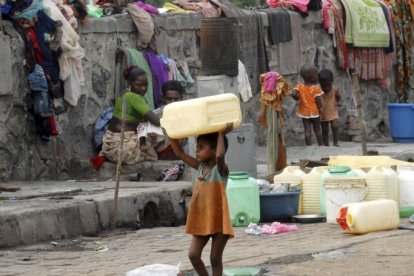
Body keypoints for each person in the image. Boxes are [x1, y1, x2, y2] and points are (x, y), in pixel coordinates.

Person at [169, 123, 234, 276]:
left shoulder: (221, 170)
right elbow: (180, 154)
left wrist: (220, 133)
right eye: (197, 146)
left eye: (201, 146)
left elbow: (219, 156)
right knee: (193, 255)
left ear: (213, 150)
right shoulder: (200, 167)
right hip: (201, 219)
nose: (197, 149)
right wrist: (171, 137)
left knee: (215, 258)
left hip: (219, 220)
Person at [100, 66, 160, 164]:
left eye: (146, 85)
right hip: (122, 148)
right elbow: (157, 122)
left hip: (109, 147)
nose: (143, 88)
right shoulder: (133, 97)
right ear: (129, 83)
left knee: (147, 125)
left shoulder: (125, 95)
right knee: (159, 139)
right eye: (139, 85)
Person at [138, 80, 185, 160]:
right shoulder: (154, 116)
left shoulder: (187, 115)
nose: (172, 103)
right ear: (163, 98)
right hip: (157, 158)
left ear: (181, 98)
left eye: (176, 99)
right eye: (169, 99)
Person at [291, 65, 324, 146]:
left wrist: (295, 95)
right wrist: (322, 111)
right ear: (313, 78)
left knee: (307, 130)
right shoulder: (316, 88)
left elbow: (294, 93)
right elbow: (319, 102)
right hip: (314, 112)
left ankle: (308, 146)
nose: (318, 76)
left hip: (304, 113)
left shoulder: (299, 86)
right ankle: (321, 145)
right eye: (316, 74)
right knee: (317, 130)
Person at [318, 69, 342, 147]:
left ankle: (336, 142)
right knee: (325, 130)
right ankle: (326, 145)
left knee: (335, 126)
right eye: (323, 86)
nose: (326, 88)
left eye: (328, 85)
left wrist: (339, 102)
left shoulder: (335, 90)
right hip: (323, 114)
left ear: (332, 81)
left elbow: (338, 98)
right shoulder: (318, 91)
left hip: (333, 112)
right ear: (320, 83)